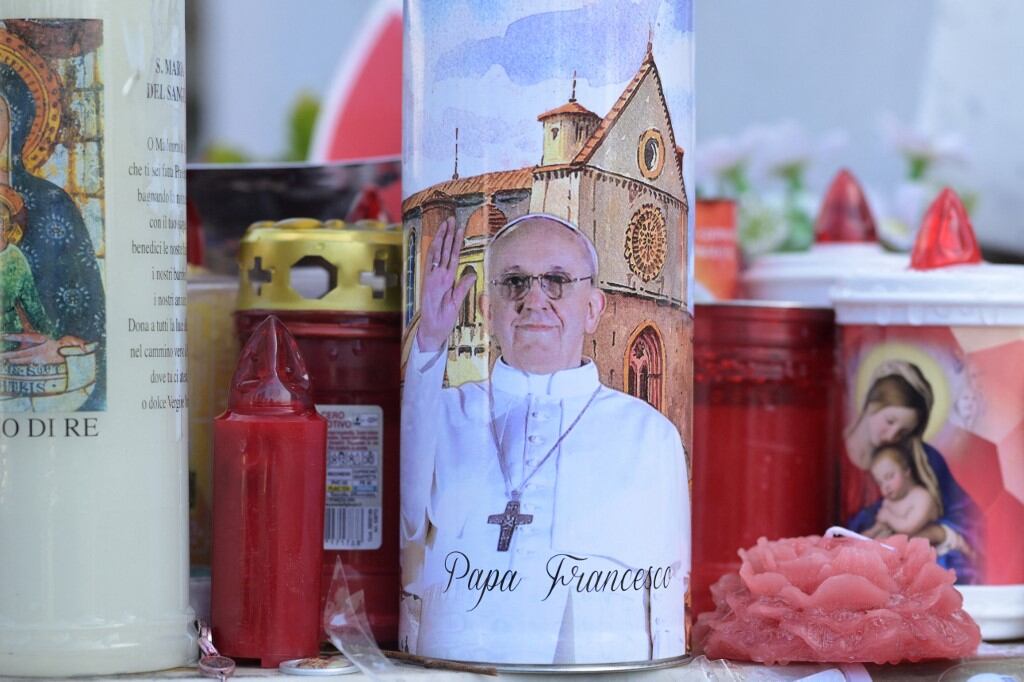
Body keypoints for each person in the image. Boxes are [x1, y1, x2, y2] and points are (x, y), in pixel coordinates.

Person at [400, 214, 688, 664]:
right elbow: (407, 529)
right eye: (514, 282)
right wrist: (429, 343)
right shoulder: (445, 418)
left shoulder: (649, 436)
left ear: (593, 309)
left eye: (556, 281)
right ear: (486, 310)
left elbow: (667, 596)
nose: (534, 299)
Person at [844, 360, 982, 583]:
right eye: (889, 421)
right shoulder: (831, 450)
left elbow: (969, 519)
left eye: (903, 431)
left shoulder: (922, 459)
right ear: (871, 405)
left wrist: (935, 533)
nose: (891, 436)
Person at [862, 444, 938, 539]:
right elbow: (882, 525)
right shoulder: (888, 501)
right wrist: (870, 533)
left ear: (906, 471)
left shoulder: (922, 497)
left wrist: (888, 517)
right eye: (880, 483)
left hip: (930, 547)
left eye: (889, 477)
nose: (886, 486)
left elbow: (909, 527)